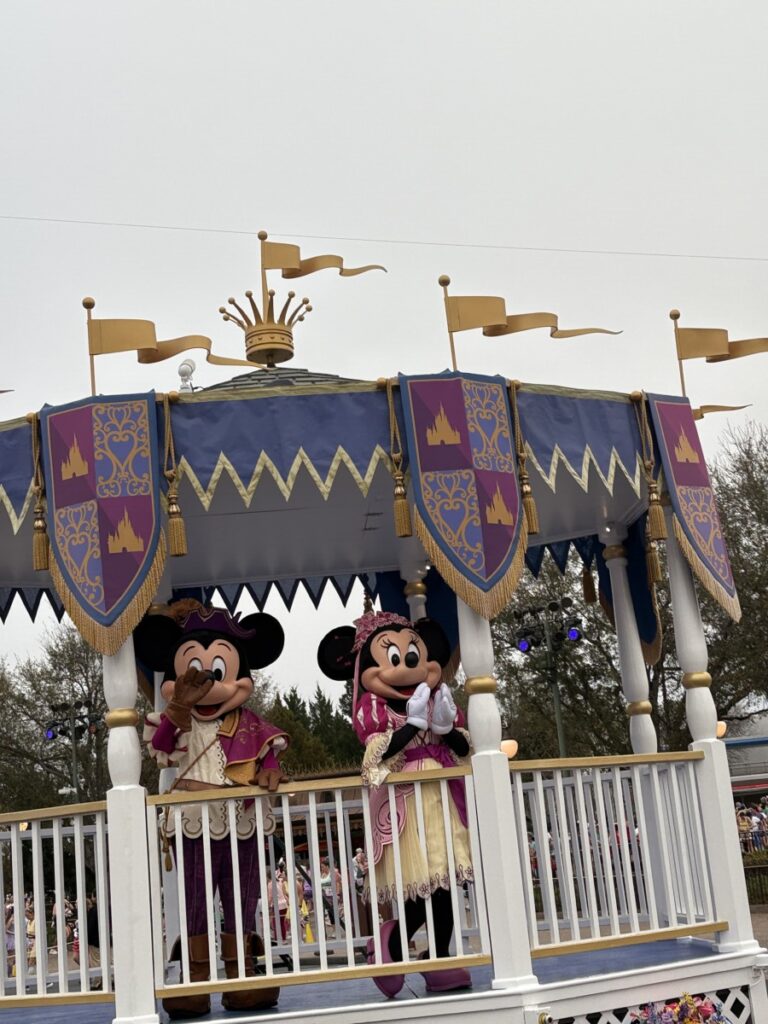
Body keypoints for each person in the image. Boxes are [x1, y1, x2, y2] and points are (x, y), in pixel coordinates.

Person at [137, 600, 289, 1018]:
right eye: (194, 673)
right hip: (192, 820)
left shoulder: (251, 724)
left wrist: (270, 767)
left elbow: (266, 754)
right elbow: (162, 748)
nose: (208, 683)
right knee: (195, 899)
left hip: (239, 817)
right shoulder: (175, 719)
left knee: (243, 895)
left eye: (218, 672)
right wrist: (179, 707)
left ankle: (243, 975)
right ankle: (196, 979)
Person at [318, 610, 473, 997]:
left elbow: (463, 747)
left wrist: (443, 728)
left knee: (447, 884)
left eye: (413, 655)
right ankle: (397, 939)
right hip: (405, 800)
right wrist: (411, 727)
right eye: (393, 658)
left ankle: (437, 957)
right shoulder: (374, 708)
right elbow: (376, 757)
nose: (407, 666)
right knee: (422, 885)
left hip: (441, 797)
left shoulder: (439, 699)